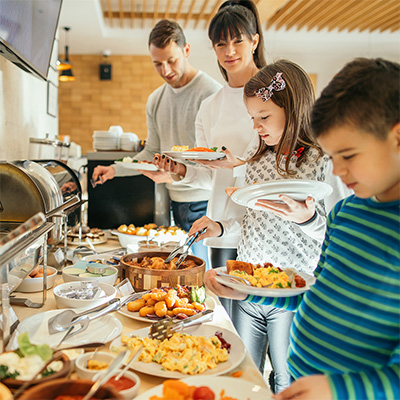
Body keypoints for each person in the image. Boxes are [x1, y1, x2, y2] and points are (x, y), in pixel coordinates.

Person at [204, 57, 400, 400]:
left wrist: (336, 389)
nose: (336, 170)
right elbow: (314, 291)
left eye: (348, 155)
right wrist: (249, 292)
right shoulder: (347, 215)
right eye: (333, 155)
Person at [189, 60, 352, 393]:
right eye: (253, 118)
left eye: (264, 118)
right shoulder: (258, 159)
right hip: (248, 287)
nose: (257, 127)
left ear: (293, 110)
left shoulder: (322, 161)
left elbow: (339, 233)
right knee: (245, 372)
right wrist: (220, 228)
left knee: (285, 379)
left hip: (292, 290)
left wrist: (307, 219)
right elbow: (252, 222)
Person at [153, 0, 266, 316]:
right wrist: (180, 170)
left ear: (254, 41)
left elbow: (282, 168)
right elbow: (208, 176)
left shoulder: (272, 94)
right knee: (227, 323)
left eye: (237, 40)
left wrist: (240, 166)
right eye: (220, 43)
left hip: (261, 228)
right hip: (219, 229)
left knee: (259, 330)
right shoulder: (211, 105)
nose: (229, 50)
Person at [92, 20, 221, 266]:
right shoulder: (155, 100)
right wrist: (115, 169)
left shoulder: (211, 94)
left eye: (171, 60)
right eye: (157, 63)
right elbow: (151, 150)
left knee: (200, 275)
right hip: (174, 201)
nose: (165, 70)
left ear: (187, 50)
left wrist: (174, 175)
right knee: (181, 271)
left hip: (206, 202)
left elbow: (217, 158)